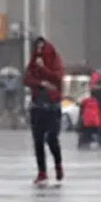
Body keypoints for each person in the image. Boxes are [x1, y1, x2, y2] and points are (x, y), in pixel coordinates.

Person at [24, 37, 65, 185]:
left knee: (52, 138)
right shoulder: (33, 62)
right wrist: (41, 83)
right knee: (38, 140)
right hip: (37, 106)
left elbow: (57, 78)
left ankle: (58, 165)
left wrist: (44, 69)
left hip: (53, 106)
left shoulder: (55, 61)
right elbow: (27, 79)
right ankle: (42, 171)